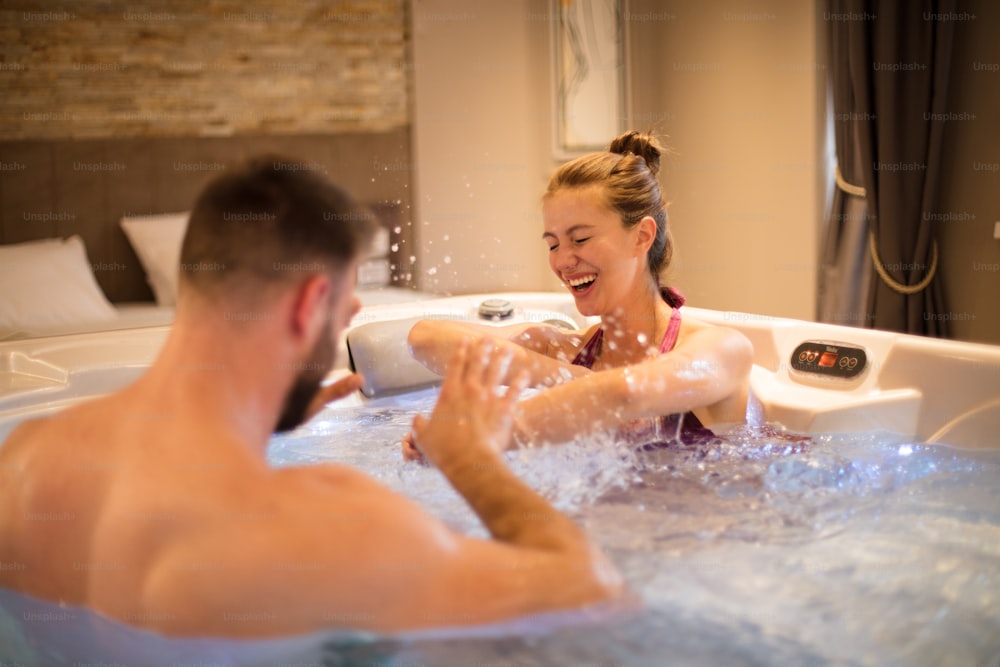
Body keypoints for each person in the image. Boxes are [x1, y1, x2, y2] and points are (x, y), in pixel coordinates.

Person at [0, 156, 621, 638]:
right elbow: (590, 590)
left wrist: (253, 422)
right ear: (307, 306)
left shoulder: (25, 459)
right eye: (345, 308)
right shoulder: (327, 525)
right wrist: (472, 459)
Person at [403, 131, 753, 461]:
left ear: (642, 237)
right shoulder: (568, 351)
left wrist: (474, 438)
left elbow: (629, 393)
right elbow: (425, 340)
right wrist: (566, 376)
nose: (563, 261)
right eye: (553, 244)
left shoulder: (722, 348)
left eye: (580, 239)